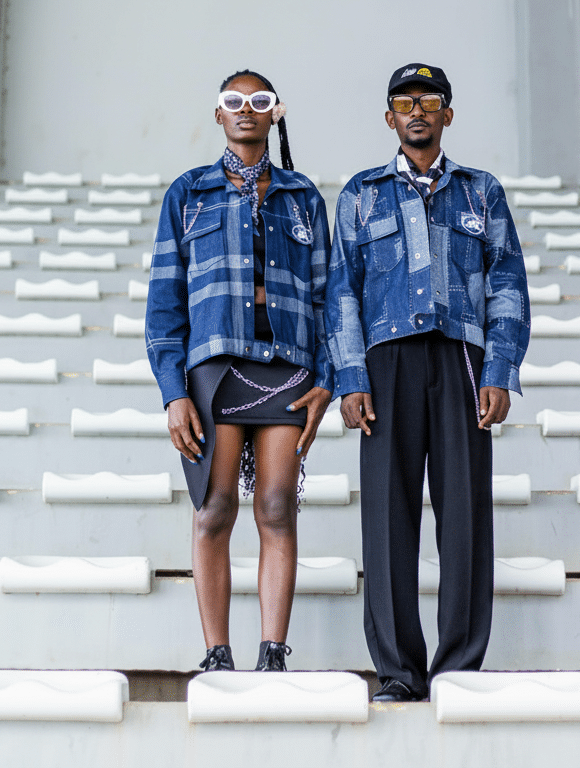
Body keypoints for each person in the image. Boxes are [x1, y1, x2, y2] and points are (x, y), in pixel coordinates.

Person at [326, 63, 530, 702]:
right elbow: (342, 292)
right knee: (387, 516)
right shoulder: (361, 193)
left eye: (430, 100)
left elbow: (507, 282)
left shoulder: (481, 192)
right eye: (405, 102)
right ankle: (397, 671)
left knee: (464, 514)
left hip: (462, 360)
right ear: (389, 117)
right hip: (386, 364)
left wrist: (500, 368)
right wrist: (350, 376)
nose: (418, 111)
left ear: (448, 113)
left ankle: (459, 667)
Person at [146, 70, 333, 673]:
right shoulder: (188, 193)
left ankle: (273, 653)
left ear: (275, 112)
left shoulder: (303, 196)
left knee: (277, 505)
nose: (245, 110)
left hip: (286, 366)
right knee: (215, 507)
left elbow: (329, 297)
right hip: (215, 370)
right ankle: (217, 654)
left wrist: (327, 376)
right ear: (219, 115)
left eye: (258, 101)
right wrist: (174, 392)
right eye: (234, 102)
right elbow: (164, 303)